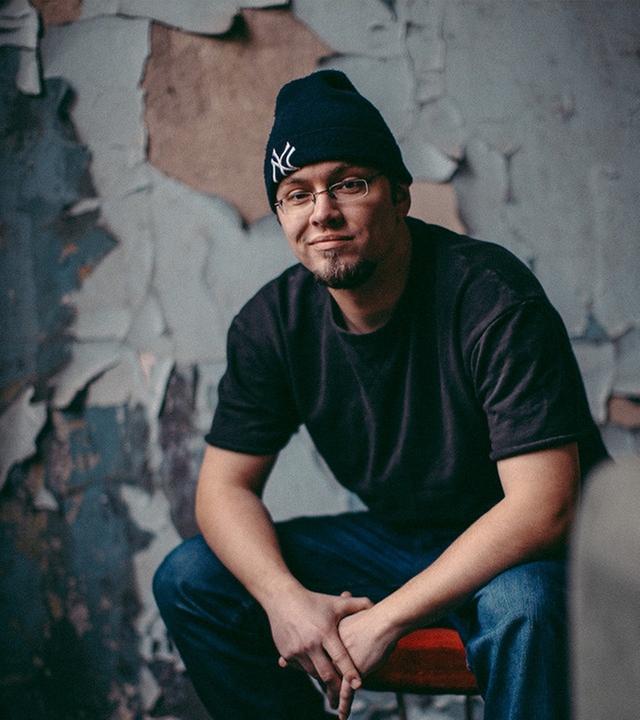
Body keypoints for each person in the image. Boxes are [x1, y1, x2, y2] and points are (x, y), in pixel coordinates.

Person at [153, 70, 608, 720]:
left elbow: (544, 509)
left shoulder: (492, 298)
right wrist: (286, 601)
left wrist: (385, 619)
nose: (322, 213)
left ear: (399, 196)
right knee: (190, 578)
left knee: (523, 608)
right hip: (399, 542)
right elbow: (222, 489)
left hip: (534, 551)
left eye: (349, 184)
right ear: (281, 215)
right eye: (296, 194)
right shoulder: (272, 324)